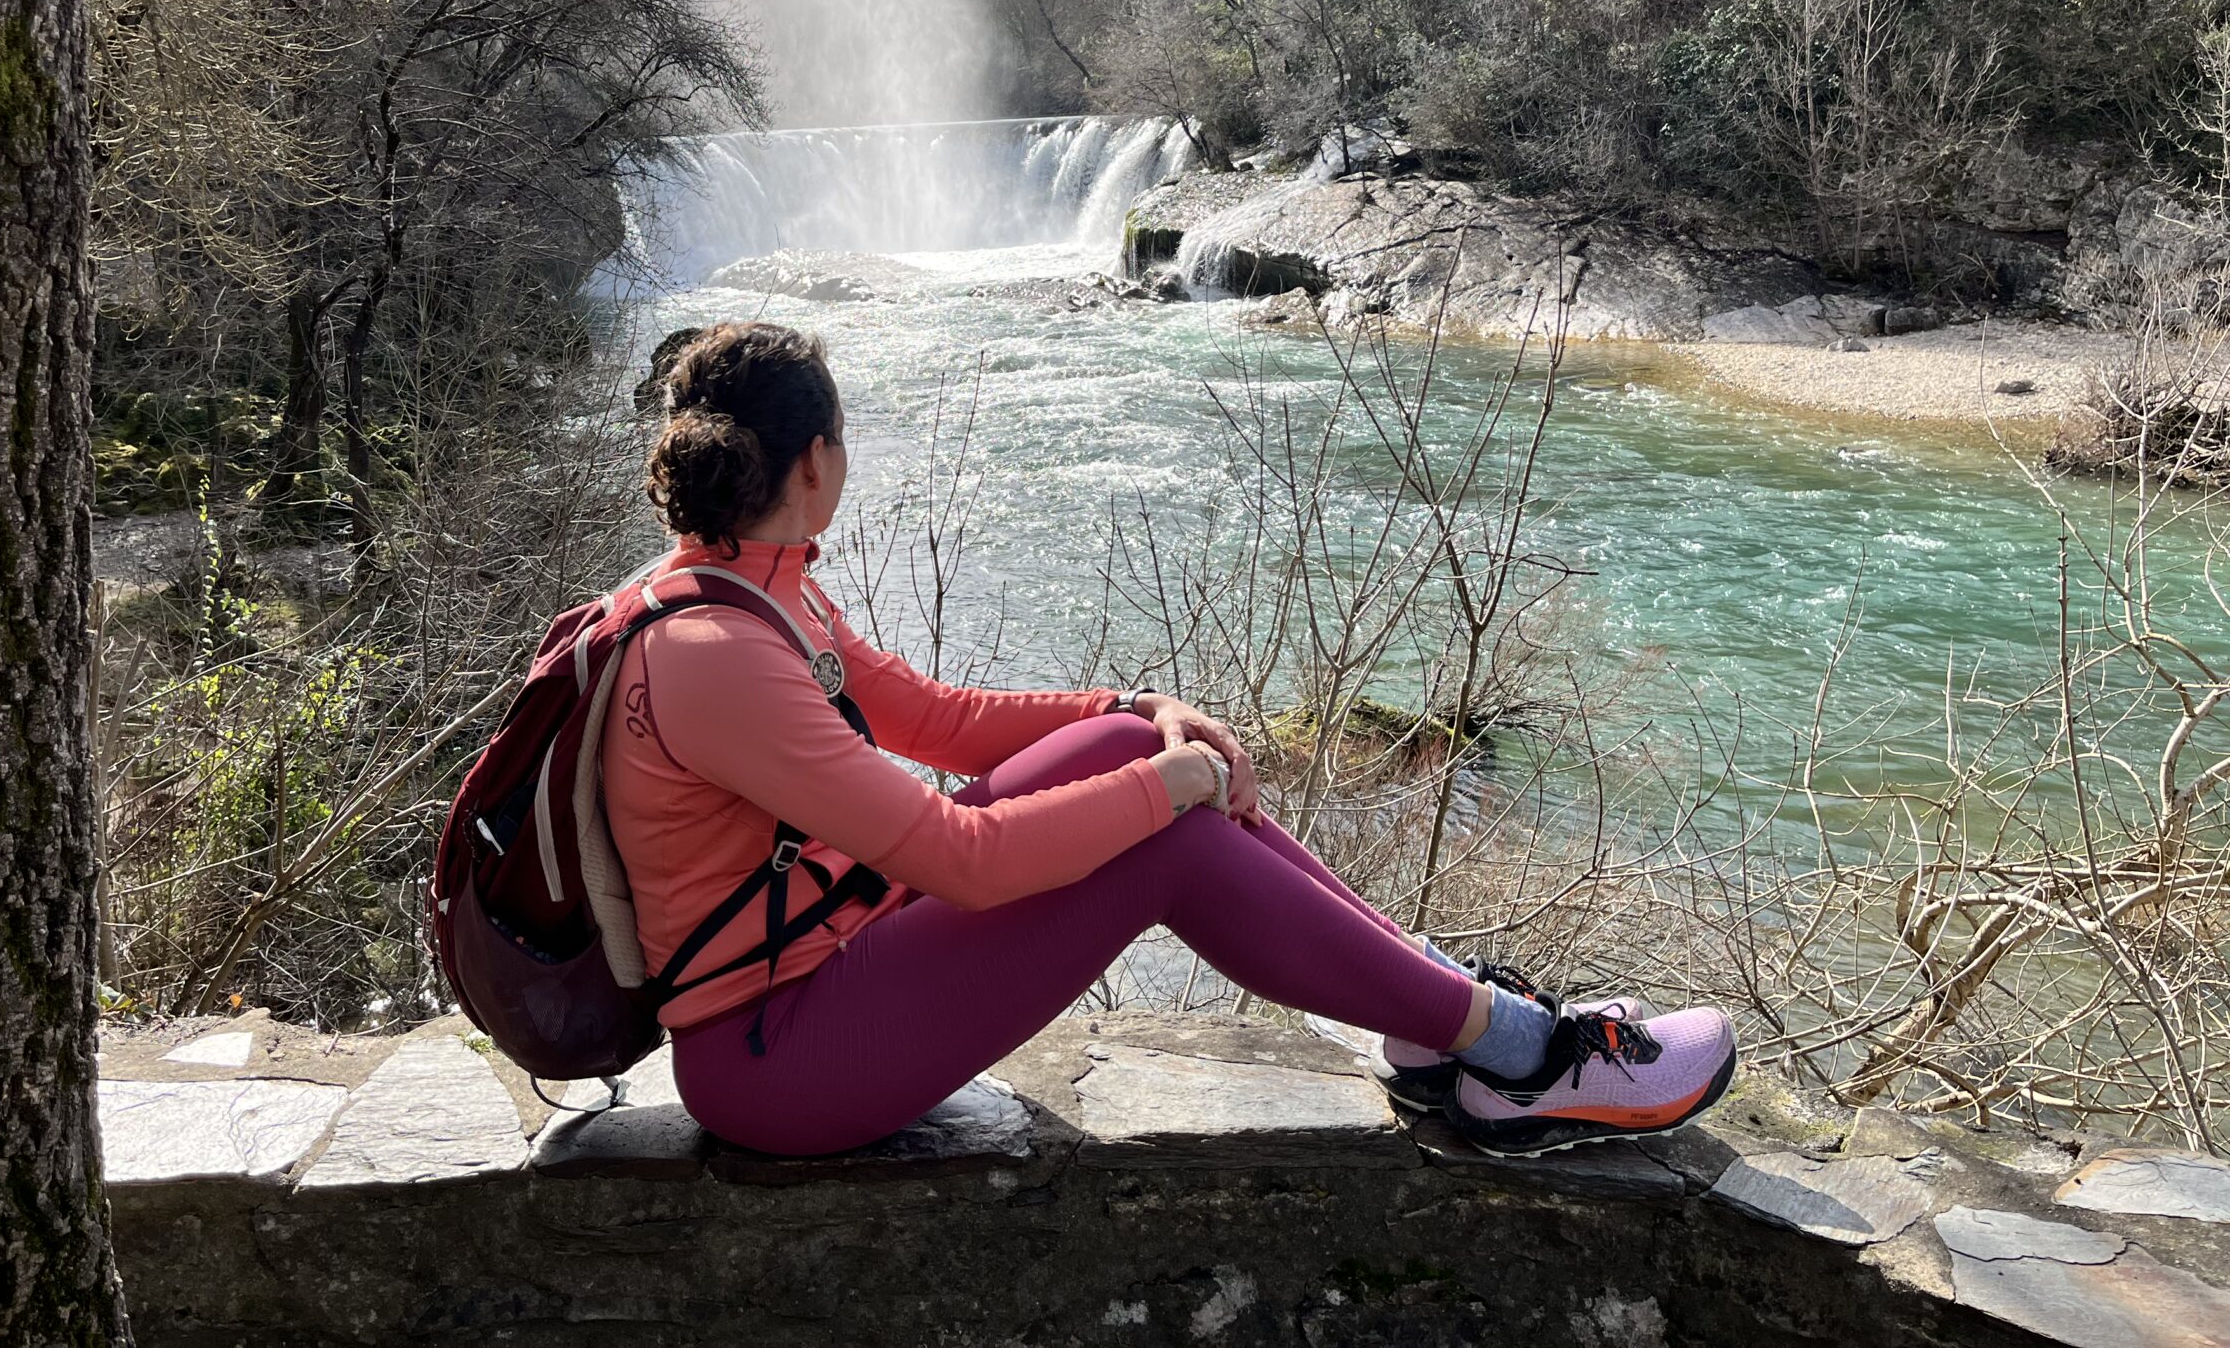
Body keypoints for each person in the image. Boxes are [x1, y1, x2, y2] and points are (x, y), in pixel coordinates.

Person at [606, 320, 1736, 1159]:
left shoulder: (750, 590)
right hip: (777, 1056)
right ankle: (1528, 1058)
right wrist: (1176, 783)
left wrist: (1136, 713)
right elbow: (959, 858)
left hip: (820, 958)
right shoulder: (719, 655)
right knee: (1168, 840)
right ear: (813, 461)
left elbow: (935, 718)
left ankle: (1444, 1021)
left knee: (1126, 768)